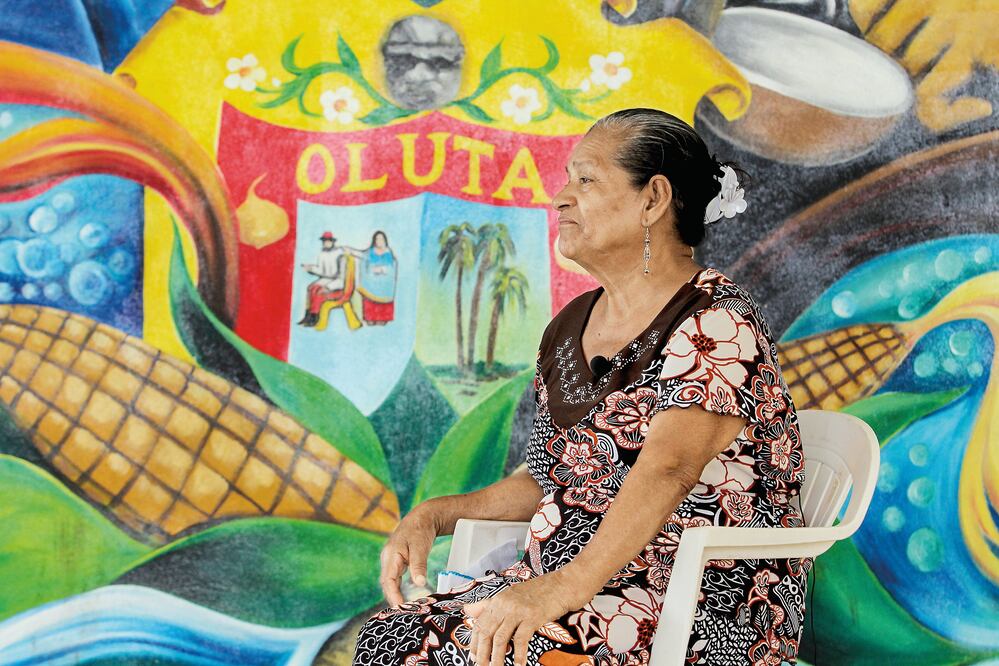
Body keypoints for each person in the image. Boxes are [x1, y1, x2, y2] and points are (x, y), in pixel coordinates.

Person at [352, 108, 808, 665]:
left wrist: (560, 589)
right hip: (577, 586)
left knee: (471, 652)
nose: (562, 196)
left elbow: (670, 469)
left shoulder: (715, 319)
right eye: (567, 179)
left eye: (586, 179)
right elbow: (551, 478)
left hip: (690, 603)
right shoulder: (572, 326)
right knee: (393, 638)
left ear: (652, 200)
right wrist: (436, 514)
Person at [299, 231, 363, 327]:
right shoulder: (322, 254)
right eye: (324, 241)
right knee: (311, 288)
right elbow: (323, 271)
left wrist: (328, 287)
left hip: (337, 284)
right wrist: (311, 268)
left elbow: (339, 277)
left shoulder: (341, 254)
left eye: (328, 241)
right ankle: (308, 315)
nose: (326, 243)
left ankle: (315, 317)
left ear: (332, 242)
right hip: (328, 279)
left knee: (319, 292)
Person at [357, 230, 398, 325]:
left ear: (385, 240)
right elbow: (363, 262)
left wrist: (383, 269)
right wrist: (372, 270)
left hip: (385, 288)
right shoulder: (368, 252)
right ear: (374, 240)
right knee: (370, 321)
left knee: (382, 322)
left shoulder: (389, 253)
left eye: (381, 239)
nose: (379, 241)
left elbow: (392, 267)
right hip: (370, 286)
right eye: (377, 239)